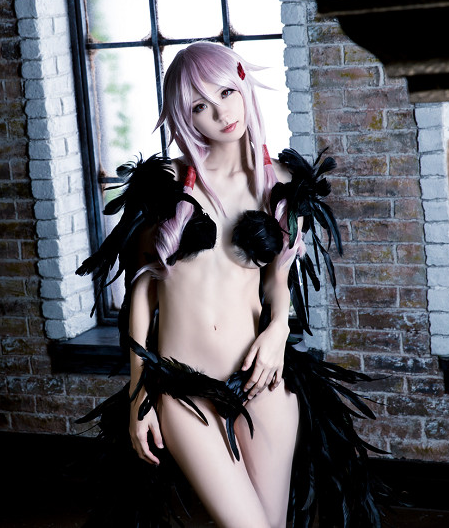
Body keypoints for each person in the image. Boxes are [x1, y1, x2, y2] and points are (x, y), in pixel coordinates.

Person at [78, 42, 384, 528]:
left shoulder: (281, 183)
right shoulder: (168, 184)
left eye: (226, 92)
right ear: (184, 116)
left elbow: (279, 280)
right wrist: (140, 395)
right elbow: (140, 292)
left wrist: (277, 331)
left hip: (262, 380)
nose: (221, 113)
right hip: (182, 388)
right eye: (200, 105)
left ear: (244, 86)